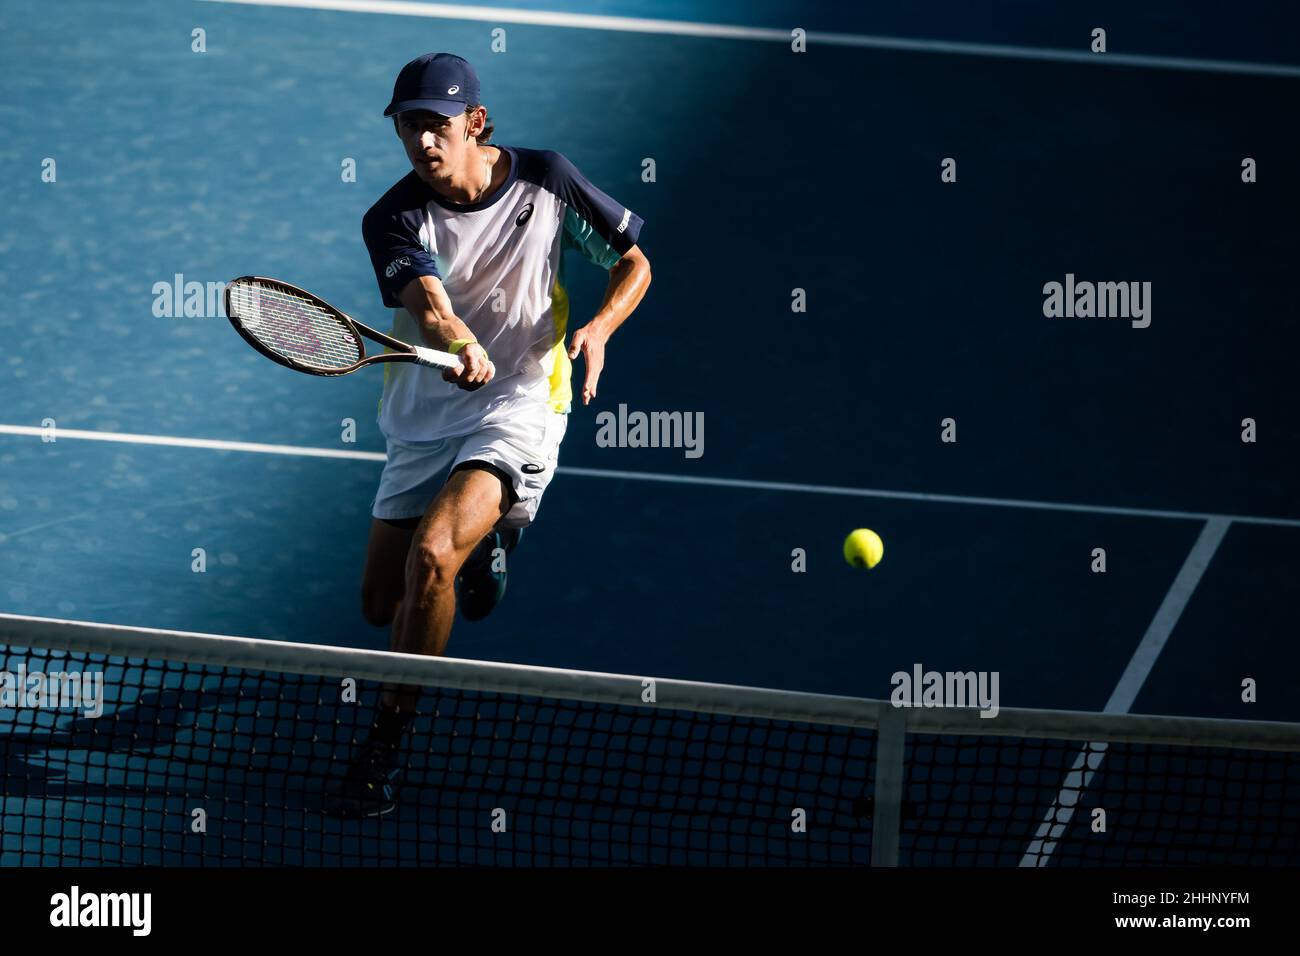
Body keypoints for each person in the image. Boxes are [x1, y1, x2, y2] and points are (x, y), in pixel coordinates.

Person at [326, 52, 651, 817]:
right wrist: (458, 338)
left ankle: (383, 745)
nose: (422, 144)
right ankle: (494, 537)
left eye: (436, 125)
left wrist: (601, 328)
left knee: (436, 558)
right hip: (423, 418)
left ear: (475, 123)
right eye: (409, 127)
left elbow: (634, 260)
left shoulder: (548, 179)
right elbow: (430, 302)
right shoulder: (392, 216)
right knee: (379, 603)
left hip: (520, 402)